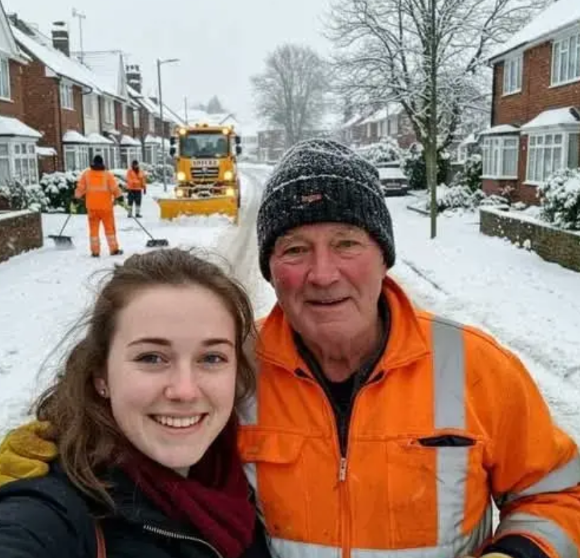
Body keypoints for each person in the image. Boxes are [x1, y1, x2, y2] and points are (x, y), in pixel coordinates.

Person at [2, 139, 580, 558]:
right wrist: (54, 450)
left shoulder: (472, 365)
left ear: (384, 257)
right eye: (295, 249)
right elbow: (135, 441)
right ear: (271, 270)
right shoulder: (231, 365)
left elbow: (562, 493)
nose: (322, 274)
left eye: (347, 243)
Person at [0, 248, 270, 558]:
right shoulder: (55, 510)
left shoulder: (238, 475)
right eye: (151, 357)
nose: (185, 390)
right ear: (101, 374)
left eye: (211, 358)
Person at [75, 154, 124, 257]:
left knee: (93, 231)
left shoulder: (86, 175)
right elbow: (114, 188)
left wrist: (76, 198)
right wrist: (119, 197)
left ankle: (95, 251)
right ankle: (113, 249)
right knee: (110, 230)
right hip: (106, 208)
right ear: (102, 163)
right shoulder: (107, 175)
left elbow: (80, 188)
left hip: (92, 208)